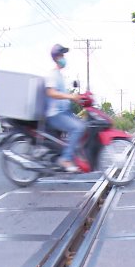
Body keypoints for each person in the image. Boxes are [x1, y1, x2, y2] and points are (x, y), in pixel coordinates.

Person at [45, 44, 85, 173]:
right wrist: (70, 96)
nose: (64, 58)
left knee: (84, 125)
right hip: (55, 114)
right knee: (78, 128)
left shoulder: (60, 75)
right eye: (62, 55)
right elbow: (51, 93)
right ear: (56, 57)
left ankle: (73, 155)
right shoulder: (52, 75)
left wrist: (79, 98)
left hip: (65, 113)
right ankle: (66, 159)